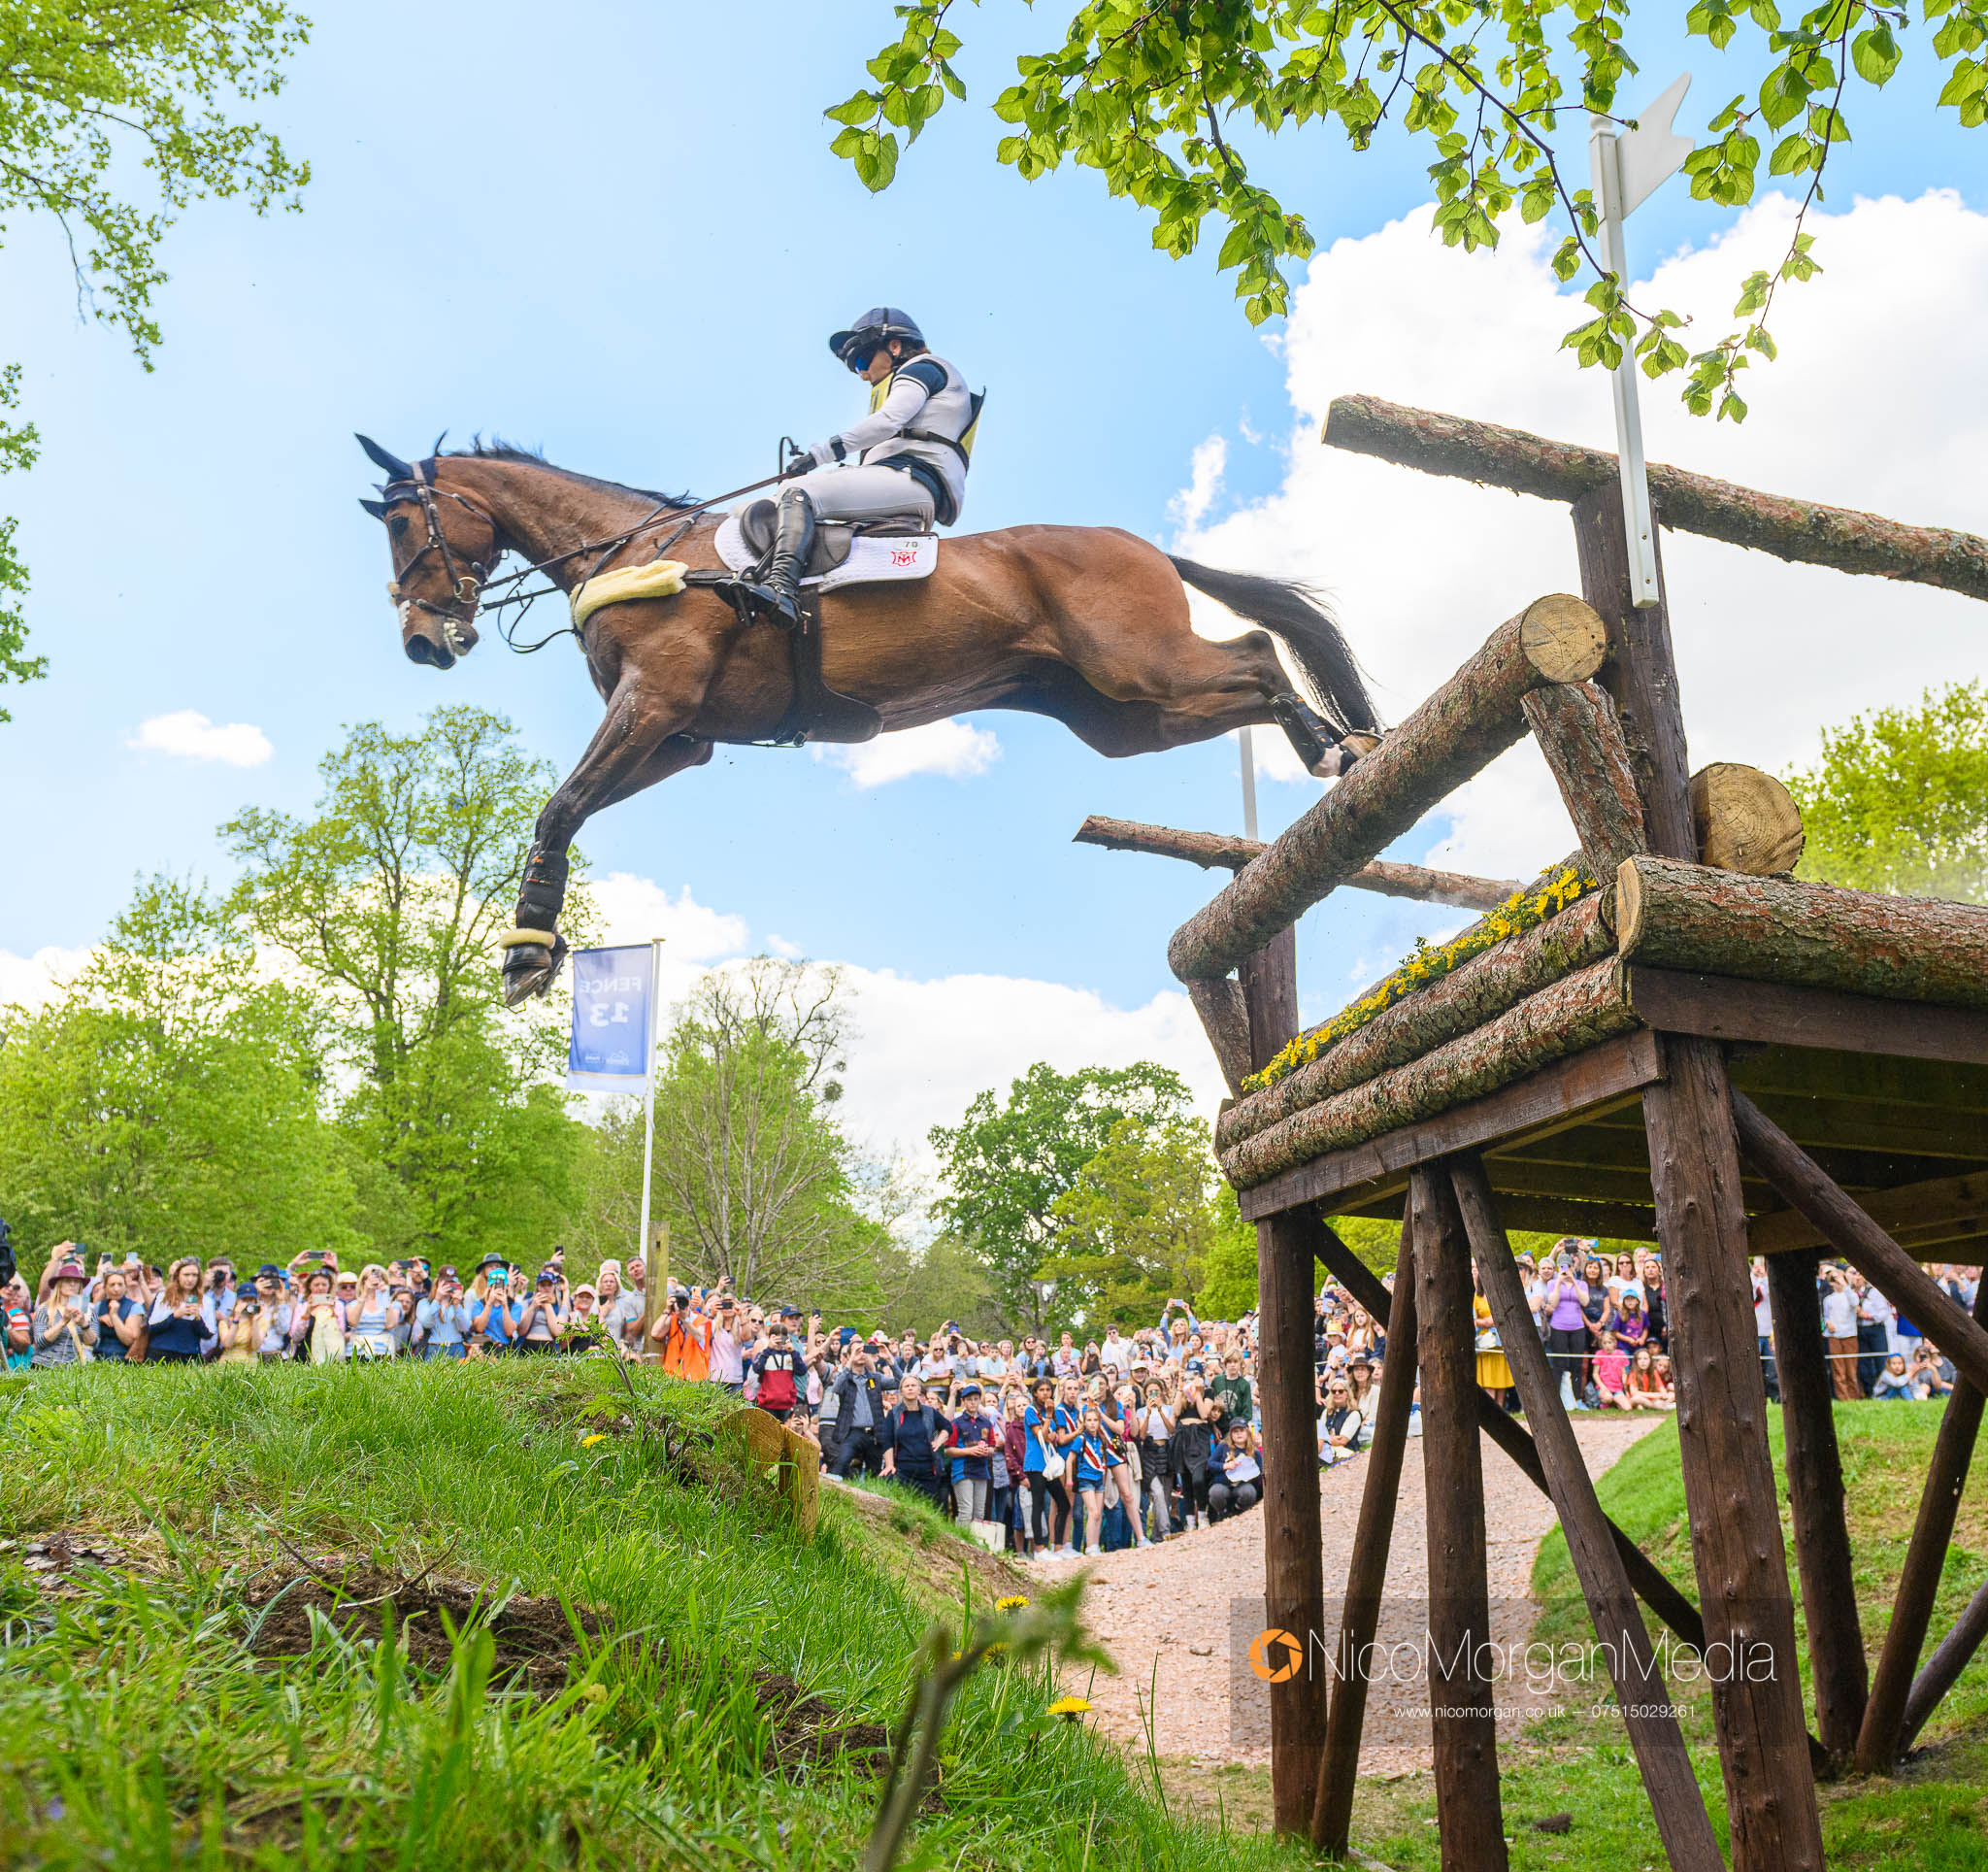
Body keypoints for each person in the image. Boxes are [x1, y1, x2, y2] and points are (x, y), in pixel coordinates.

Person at [736, 308, 979, 627]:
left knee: (798, 491)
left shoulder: (922, 368)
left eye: (863, 362)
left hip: (911, 478)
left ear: (894, 346)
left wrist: (820, 454)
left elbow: (889, 421)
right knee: (760, 506)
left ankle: (782, 586)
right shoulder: (908, 375)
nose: (863, 375)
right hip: (900, 480)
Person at [879, 1372, 952, 1510]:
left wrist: (938, 1441)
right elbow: (887, 1440)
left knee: (927, 1512)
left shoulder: (930, 1412)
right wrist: (889, 1465)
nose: (910, 1388)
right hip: (903, 1470)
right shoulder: (894, 1414)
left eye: (913, 1385)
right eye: (907, 1386)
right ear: (901, 1391)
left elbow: (947, 1427)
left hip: (927, 1471)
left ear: (919, 1390)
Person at [828, 1344, 888, 1479]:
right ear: (849, 1356)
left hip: (874, 1433)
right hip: (852, 1432)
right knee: (841, 1463)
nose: (861, 1354)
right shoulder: (845, 1377)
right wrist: (850, 1362)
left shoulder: (875, 1378)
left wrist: (889, 1359)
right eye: (857, 1351)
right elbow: (836, 1388)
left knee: (874, 1472)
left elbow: (899, 1382)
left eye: (863, 1351)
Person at [148, 1257, 215, 1365]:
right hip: (161, 1353)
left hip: (189, 1355)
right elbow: (151, 1327)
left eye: (194, 1275)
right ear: (178, 1275)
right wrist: (174, 1316)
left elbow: (208, 1334)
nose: (190, 1279)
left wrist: (198, 1319)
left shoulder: (206, 1301)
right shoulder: (163, 1297)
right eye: (186, 1275)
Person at [948, 1381, 999, 1525]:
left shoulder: (986, 1423)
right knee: (966, 1511)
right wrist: (969, 1451)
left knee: (979, 1514)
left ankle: (976, 1545)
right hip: (962, 1470)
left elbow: (992, 1448)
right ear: (963, 1401)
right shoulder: (957, 1423)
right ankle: (960, 1546)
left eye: (976, 1399)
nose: (973, 1403)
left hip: (981, 1471)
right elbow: (948, 1450)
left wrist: (986, 1450)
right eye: (969, 1399)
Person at [32, 1258, 99, 1367]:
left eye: (77, 1281)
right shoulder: (45, 1309)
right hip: (45, 1365)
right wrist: (63, 1322)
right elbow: (40, 1342)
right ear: (59, 1284)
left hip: (76, 1368)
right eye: (67, 1280)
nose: (72, 1284)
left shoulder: (89, 1310)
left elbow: (93, 1343)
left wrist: (84, 1325)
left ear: (80, 1286)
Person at [748, 1319, 803, 1423]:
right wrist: (769, 1348)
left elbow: (802, 1371)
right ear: (770, 1338)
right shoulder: (764, 1354)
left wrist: (792, 1351)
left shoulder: (791, 1355)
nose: (779, 1341)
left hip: (786, 1404)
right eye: (776, 1337)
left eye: (782, 1337)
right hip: (766, 1404)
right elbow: (757, 1369)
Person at [1209, 1421, 1263, 1521]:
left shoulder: (1254, 1451)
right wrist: (1225, 1466)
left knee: (1249, 1492)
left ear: (1247, 1432)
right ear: (1230, 1435)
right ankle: (1223, 1513)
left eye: (1242, 1431)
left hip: (1243, 1485)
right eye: (1235, 1432)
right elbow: (1210, 1463)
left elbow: (1262, 1471)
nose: (1239, 1434)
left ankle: (1237, 1511)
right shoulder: (1223, 1446)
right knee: (1215, 1493)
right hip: (1223, 1484)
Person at [1821, 1265, 1861, 1402]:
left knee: (1851, 1369)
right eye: (1834, 1279)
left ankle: (1854, 1397)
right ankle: (1843, 1398)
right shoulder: (1828, 1299)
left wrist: (1844, 1284)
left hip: (1849, 1335)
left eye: (1838, 1278)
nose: (1836, 1281)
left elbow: (1855, 1302)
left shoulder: (1850, 1295)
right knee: (1838, 1370)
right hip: (1834, 1337)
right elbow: (1826, 1315)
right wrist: (1827, 1323)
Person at [416, 1268, 475, 1359]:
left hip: (457, 1347)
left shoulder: (463, 1304)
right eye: (446, 1283)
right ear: (438, 1283)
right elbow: (427, 1324)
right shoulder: (425, 1303)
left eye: (452, 1283)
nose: (449, 1286)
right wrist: (437, 1300)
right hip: (434, 1348)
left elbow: (464, 1328)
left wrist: (457, 1305)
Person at [93, 1267, 147, 1364]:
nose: (116, 1289)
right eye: (112, 1285)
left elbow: (129, 1340)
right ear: (105, 1288)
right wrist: (99, 1319)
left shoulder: (134, 1307)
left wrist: (114, 1316)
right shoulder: (99, 1306)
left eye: (120, 1284)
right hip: (98, 1357)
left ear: (126, 1287)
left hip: (123, 1358)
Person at [514, 1270, 566, 1355]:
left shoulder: (561, 1306)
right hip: (526, 1346)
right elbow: (521, 1331)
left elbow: (557, 1332)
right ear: (538, 1287)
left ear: (554, 1286)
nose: (546, 1288)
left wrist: (548, 1306)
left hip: (550, 1348)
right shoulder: (527, 1303)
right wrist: (532, 1307)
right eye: (543, 1285)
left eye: (549, 1285)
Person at [1317, 1378, 1364, 1465]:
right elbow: (1319, 1434)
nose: (1337, 1394)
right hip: (1327, 1450)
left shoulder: (1354, 1414)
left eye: (1341, 1391)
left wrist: (1323, 1439)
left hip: (1347, 1453)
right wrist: (1328, 1439)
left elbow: (1342, 1441)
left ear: (1347, 1394)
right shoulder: (1327, 1412)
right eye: (1334, 1391)